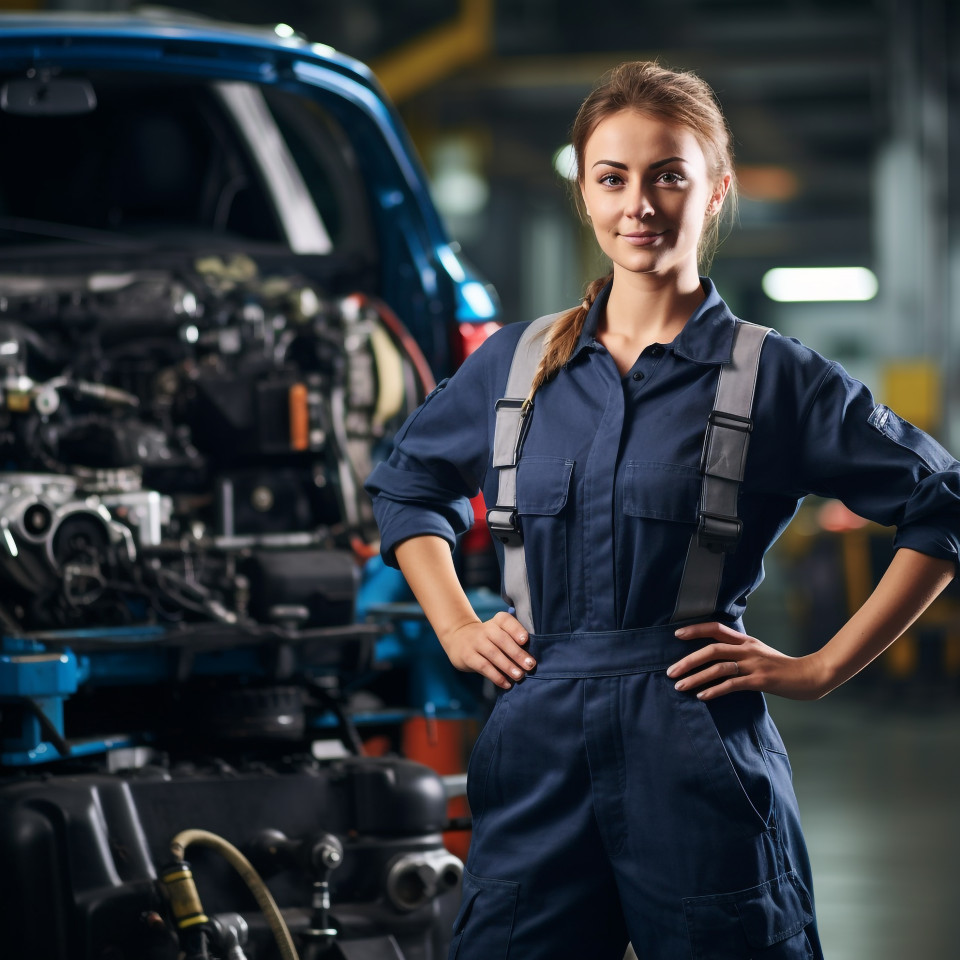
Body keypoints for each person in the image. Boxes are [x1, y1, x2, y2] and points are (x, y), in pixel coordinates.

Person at [365, 61, 960, 960]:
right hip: (536, 745)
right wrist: (454, 624)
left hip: (696, 746)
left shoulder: (773, 377)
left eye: (668, 176)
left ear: (715, 191)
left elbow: (940, 501)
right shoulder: (515, 367)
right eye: (612, 178)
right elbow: (408, 482)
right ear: (585, 194)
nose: (638, 204)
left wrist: (823, 668)